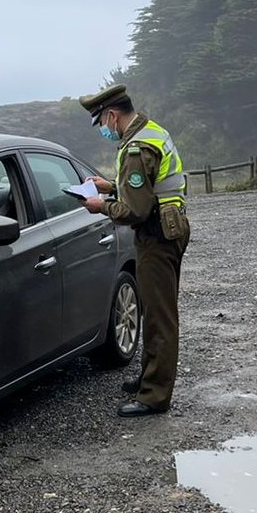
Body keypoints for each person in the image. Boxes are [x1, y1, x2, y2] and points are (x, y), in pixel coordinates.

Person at [78, 84, 190, 418]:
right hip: (168, 227)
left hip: (156, 235)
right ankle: (147, 379)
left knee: (158, 318)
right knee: (154, 310)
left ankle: (154, 396)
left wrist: (101, 206)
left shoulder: (136, 149)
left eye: (102, 122)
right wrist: (111, 186)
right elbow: (149, 186)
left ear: (112, 115)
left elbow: (135, 211)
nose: (104, 129)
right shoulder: (150, 131)